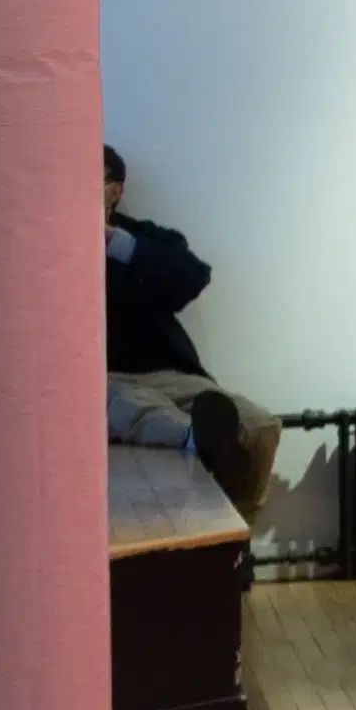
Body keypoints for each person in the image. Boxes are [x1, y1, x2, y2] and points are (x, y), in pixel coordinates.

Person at [106, 145, 278, 518]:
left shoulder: (141, 239)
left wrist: (114, 243)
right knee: (134, 408)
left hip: (169, 375)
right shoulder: (49, 246)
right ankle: (194, 438)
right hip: (106, 379)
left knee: (259, 425)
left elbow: (193, 276)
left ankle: (234, 534)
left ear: (115, 191)